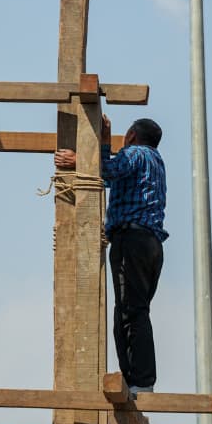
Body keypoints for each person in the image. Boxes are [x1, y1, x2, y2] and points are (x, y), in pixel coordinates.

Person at [54, 115, 168, 397]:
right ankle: (138, 379)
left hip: (132, 240)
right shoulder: (155, 161)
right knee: (132, 311)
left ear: (130, 136)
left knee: (130, 312)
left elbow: (108, 170)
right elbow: (110, 174)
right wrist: (97, 151)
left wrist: (85, 157)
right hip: (150, 244)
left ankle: (140, 381)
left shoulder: (136, 154)